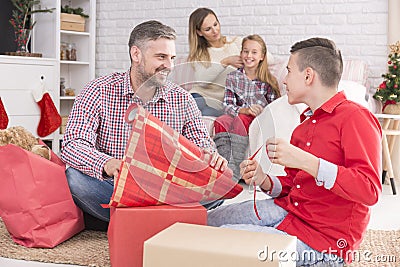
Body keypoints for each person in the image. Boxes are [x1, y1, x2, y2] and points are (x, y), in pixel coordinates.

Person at [208, 37, 382, 266]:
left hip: (325, 241)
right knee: (210, 221)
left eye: (289, 71)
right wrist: (264, 179)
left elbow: (369, 190)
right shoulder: (304, 125)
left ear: (308, 76)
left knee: (219, 241)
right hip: (291, 211)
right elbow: (293, 185)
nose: (284, 79)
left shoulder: (355, 117)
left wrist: (308, 161)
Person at [61, 20, 227, 229]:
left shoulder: (183, 99)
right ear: (136, 54)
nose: (169, 65)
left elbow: (202, 143)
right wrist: (108, 163)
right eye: (161, 57)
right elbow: (73, 144)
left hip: (169, 190)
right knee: (74, 179)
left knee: (220, 185)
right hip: (115, 186)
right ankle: (160, 219)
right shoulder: (97, 90)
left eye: (172, 58)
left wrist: (211, 158)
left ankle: (128, 219)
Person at [213, 34, 280, 182]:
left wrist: (257, 111)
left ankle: (233, 173)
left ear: (262, 56)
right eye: (245, 51)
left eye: (254, 52)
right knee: (220, 121)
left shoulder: (268, 81)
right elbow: (227, 105)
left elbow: (274, 108)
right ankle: (223, 168)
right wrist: (244, 110)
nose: (249, 56)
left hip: (256, 119)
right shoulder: (233, 77)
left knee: (240, 120)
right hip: (239, 114)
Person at [187, 8, 274, 116]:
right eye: (208, 29)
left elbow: (269, 58)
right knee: (194, 108)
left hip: (223, 104)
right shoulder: (199, 54)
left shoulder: (236, 43)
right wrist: (225, 62)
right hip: (201, 97)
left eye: (215, 24)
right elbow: (201, 81)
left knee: (209, 113)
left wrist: (247, 59)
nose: (215, 30)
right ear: (199, 32)